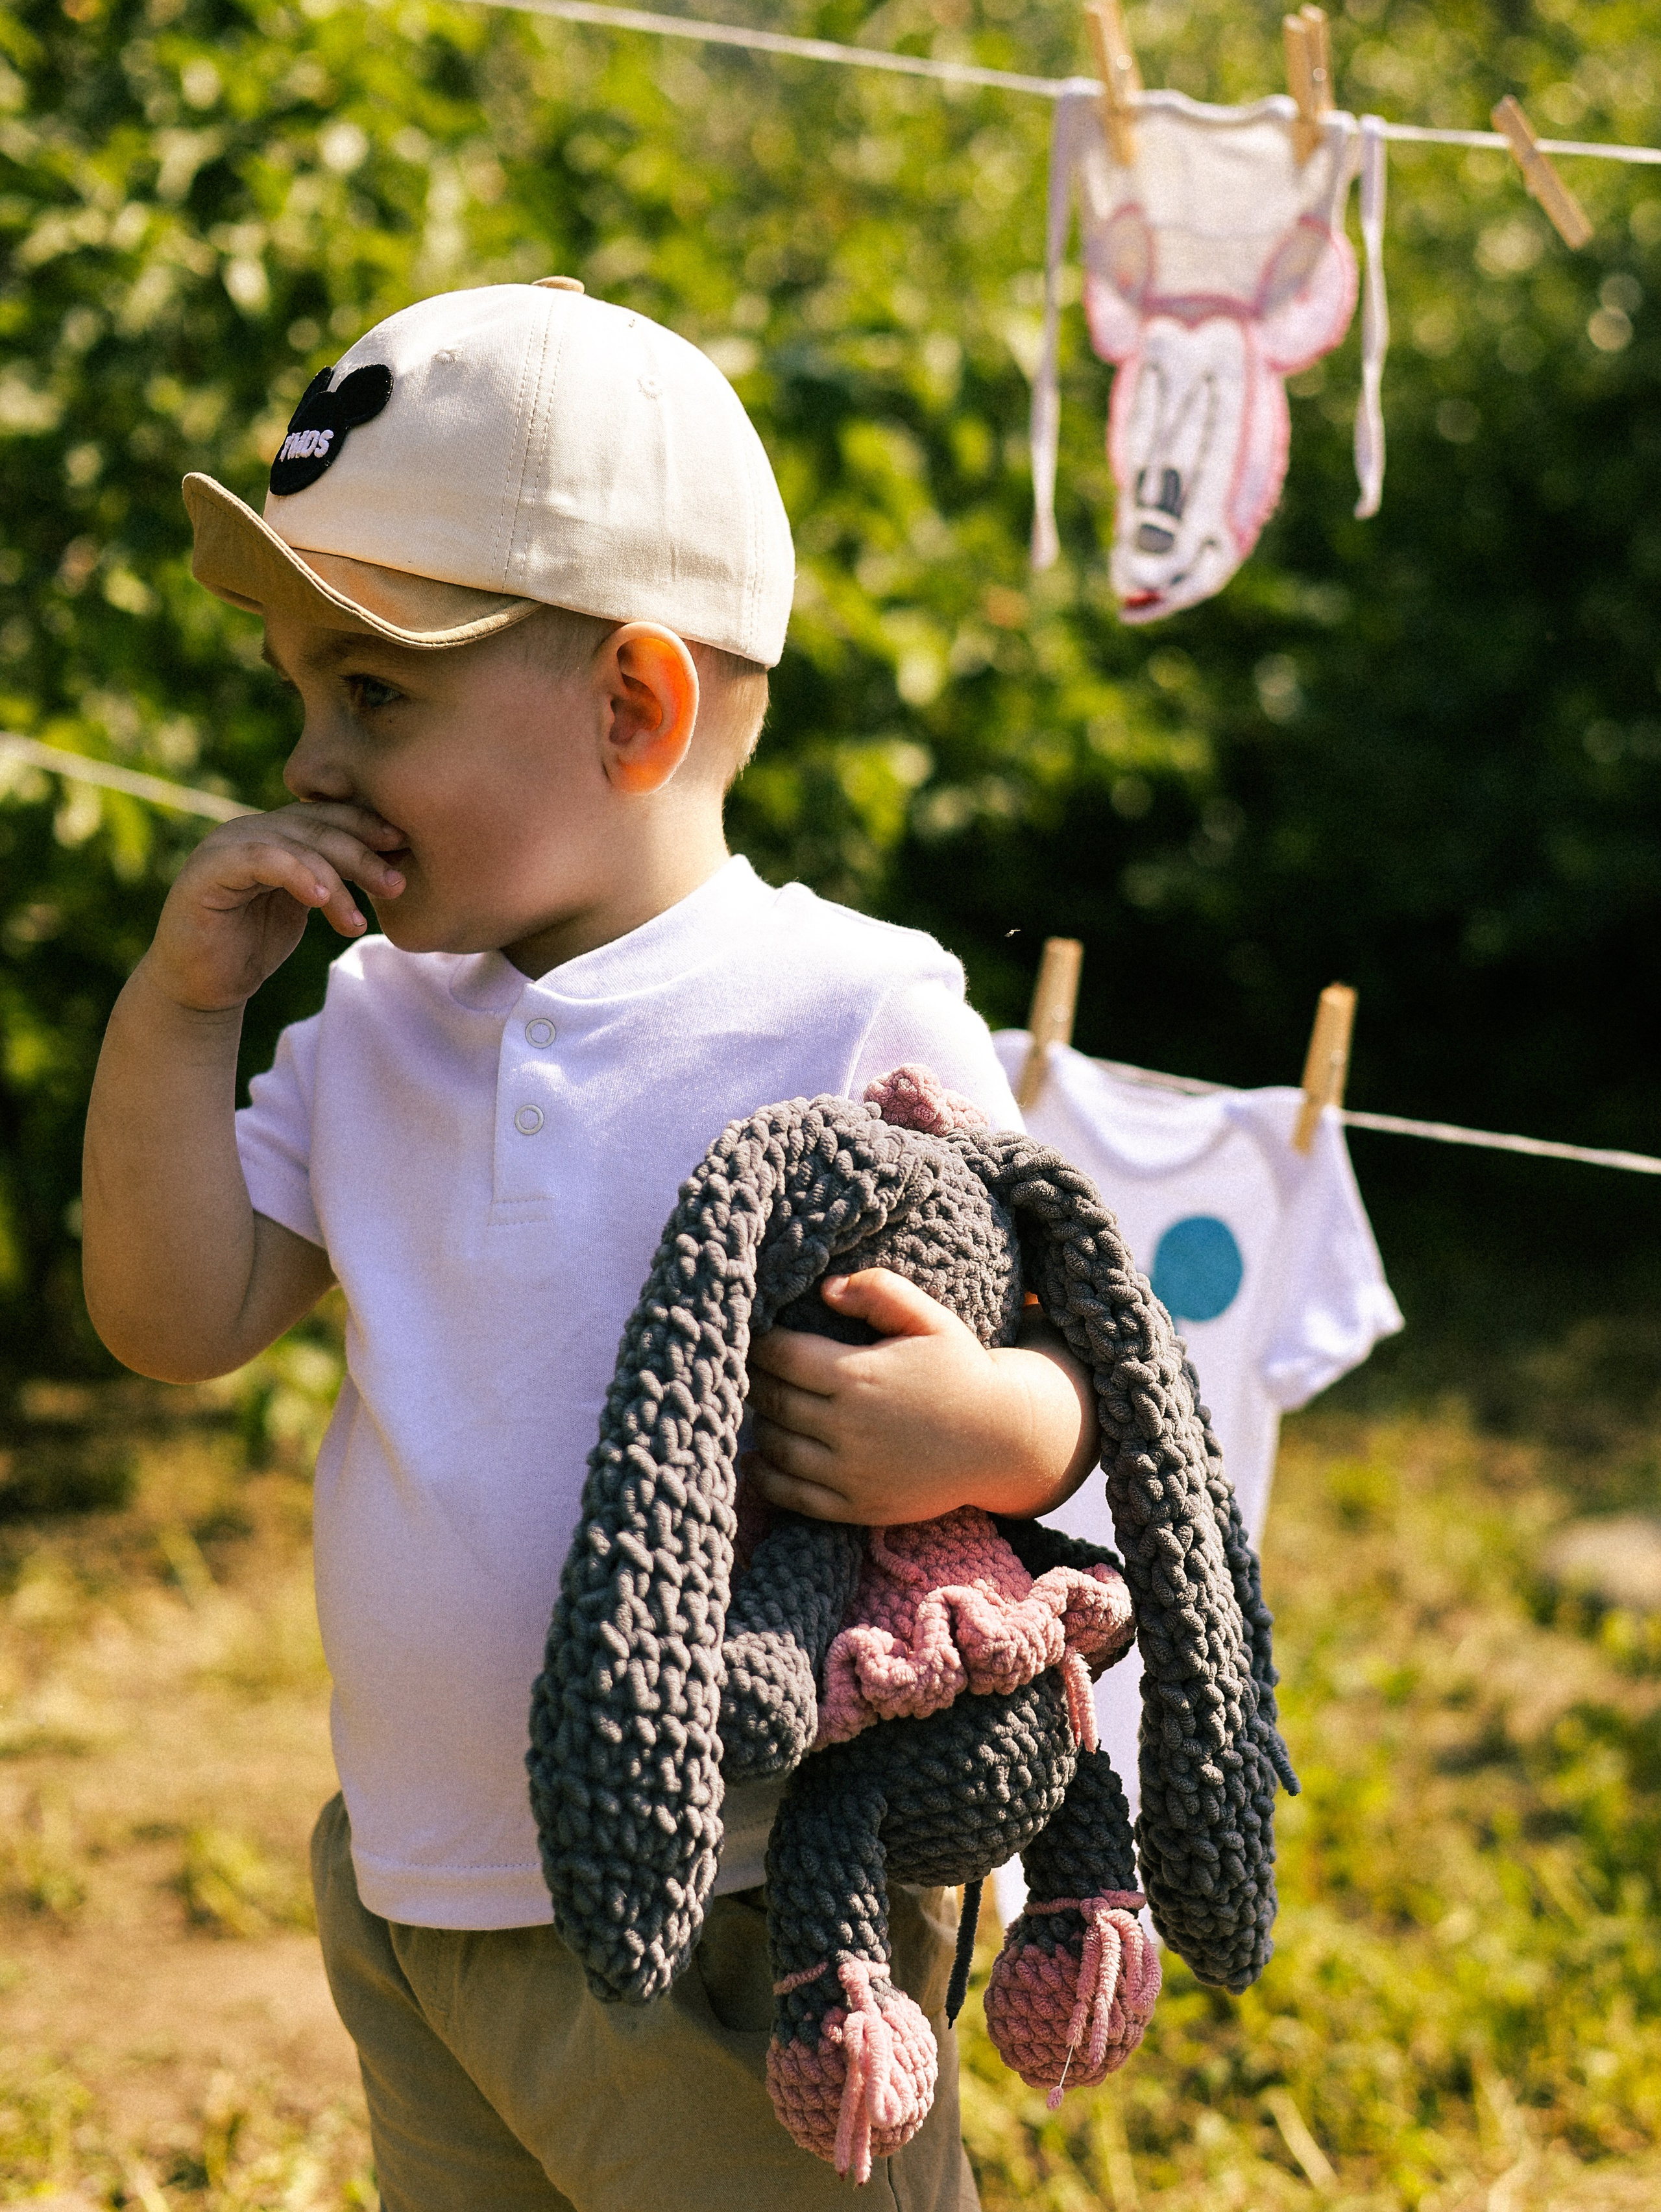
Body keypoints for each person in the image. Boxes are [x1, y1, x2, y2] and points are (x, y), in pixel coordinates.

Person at [80, 279, 1098, 2212]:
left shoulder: (846, 1008)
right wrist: (181, 1015)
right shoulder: (372, 1020)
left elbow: (1089, 1367)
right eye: (299, 692)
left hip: (755, 1901)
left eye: (374, 694)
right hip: (420, 1889)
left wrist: (979, 1427)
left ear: (636, 708)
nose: (308, 758)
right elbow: (172, 1315)